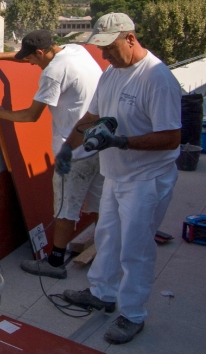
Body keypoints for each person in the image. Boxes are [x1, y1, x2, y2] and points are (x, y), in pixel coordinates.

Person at [57, 13, 182, 344]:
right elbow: (92, 117)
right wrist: (68, 147)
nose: (104, 56)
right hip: (115, 173)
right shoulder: (111, 74)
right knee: (108, 236)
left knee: (136, 249)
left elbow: (171, 137)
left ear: (130, 38)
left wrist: (122, 141)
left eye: (109, 48)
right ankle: (102, 293)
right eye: (100, 49)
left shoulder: (157, 78)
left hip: (146, 178)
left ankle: (133, 314)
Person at [0, 30, 103, 279]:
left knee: (66, 209)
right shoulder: (76, 50)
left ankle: (55, 262)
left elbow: (30, 116)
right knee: (103, 205)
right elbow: (29, 56)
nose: (32, 65)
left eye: (33, 60)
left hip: (74, 153)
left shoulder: (53, 72)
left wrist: (0, 113)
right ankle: (106, 253)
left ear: (41, 53)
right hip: (100, 142)